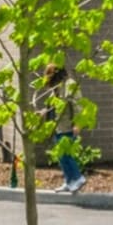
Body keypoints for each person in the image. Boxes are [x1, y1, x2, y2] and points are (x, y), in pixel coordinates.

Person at [41, 64, 87, 194]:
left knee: (66, 154)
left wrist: (78, 124)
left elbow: (78, 105)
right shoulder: (57, 87)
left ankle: (78, 178)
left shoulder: (70, 85)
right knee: (61, 156)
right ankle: (69, 181)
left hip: (68, 125)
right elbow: (52, 104)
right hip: (58, 126)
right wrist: (44, 112)